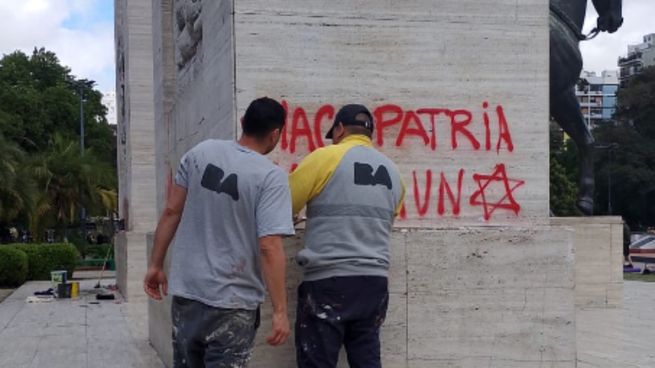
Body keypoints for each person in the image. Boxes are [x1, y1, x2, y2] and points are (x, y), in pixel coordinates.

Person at [144, 97, 295, 368]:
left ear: (242, 123)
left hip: (188, 295)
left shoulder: (200, 152)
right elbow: (269, 245)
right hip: (233, 304)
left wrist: (155, 265)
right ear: (275, 134)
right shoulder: (270, 177)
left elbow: (171, 212)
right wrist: (281, 311)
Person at [289, 104, 405, 368]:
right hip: (374, 284)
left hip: (329, 281)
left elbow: (281, 205)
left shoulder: (325, 157)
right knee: (366, 360)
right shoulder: (393, 172)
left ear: (339, 129)